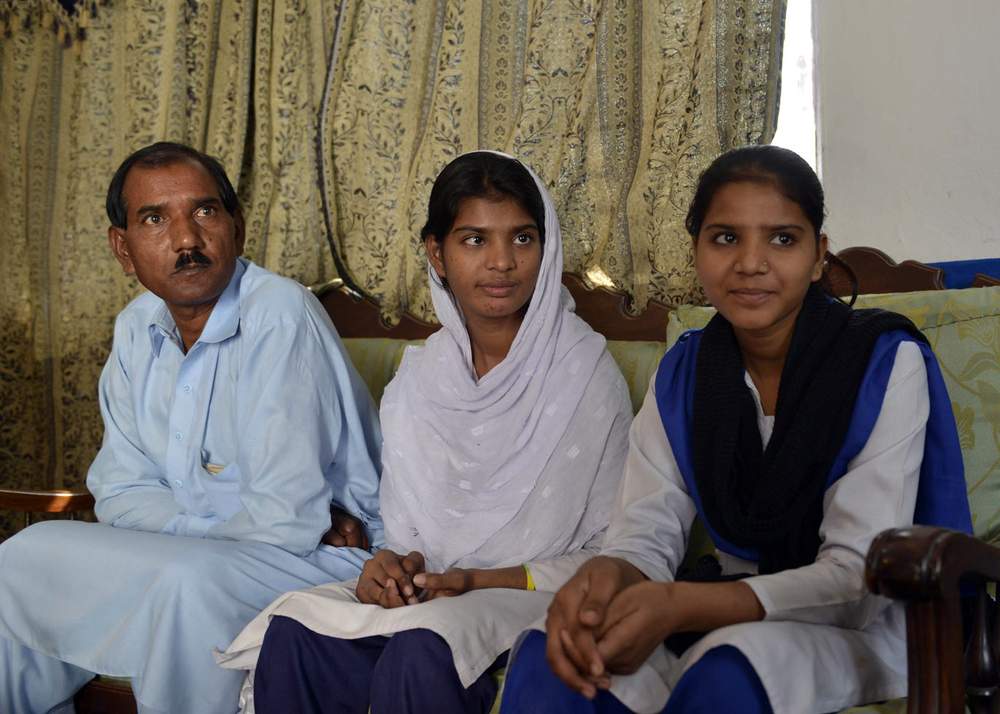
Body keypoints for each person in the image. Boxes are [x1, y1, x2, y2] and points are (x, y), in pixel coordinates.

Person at [498, 145, 972, 714]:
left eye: (782, 239)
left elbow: (856, 579)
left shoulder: (884, 363)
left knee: (731, 669)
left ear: (820, 255)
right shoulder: (684, 371)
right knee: (548, 655)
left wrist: (680, 606)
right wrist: (606, 580)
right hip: (712, 613)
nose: (751, 262)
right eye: (726, 238)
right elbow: (644, 538)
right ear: (696, 250)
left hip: (865, 628)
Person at [216, 150, 633, 714]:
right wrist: (389, 570)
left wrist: (479, 581)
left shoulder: (585, 372)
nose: (502, 263)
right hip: (431, 595)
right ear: (437, 253)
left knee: (421, 648)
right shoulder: (419, 377)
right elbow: (407, 537)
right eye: (474, 240)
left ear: (547, 246)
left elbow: (613, 554)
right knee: (295, 632)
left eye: (523, 238)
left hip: (527, 596)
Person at [0, 142, 384, 714]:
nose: (185, 240)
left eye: (204, 212)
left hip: (321, 558)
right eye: (155, 219)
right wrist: (199, 527)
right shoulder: (135, 328)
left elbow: (285, 521)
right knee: (22, 555)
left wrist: (176, 529)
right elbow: (121, 495)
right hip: (201, 554)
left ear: (238, 228)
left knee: (184, 586)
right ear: (123, 249)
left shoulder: (279, 314)